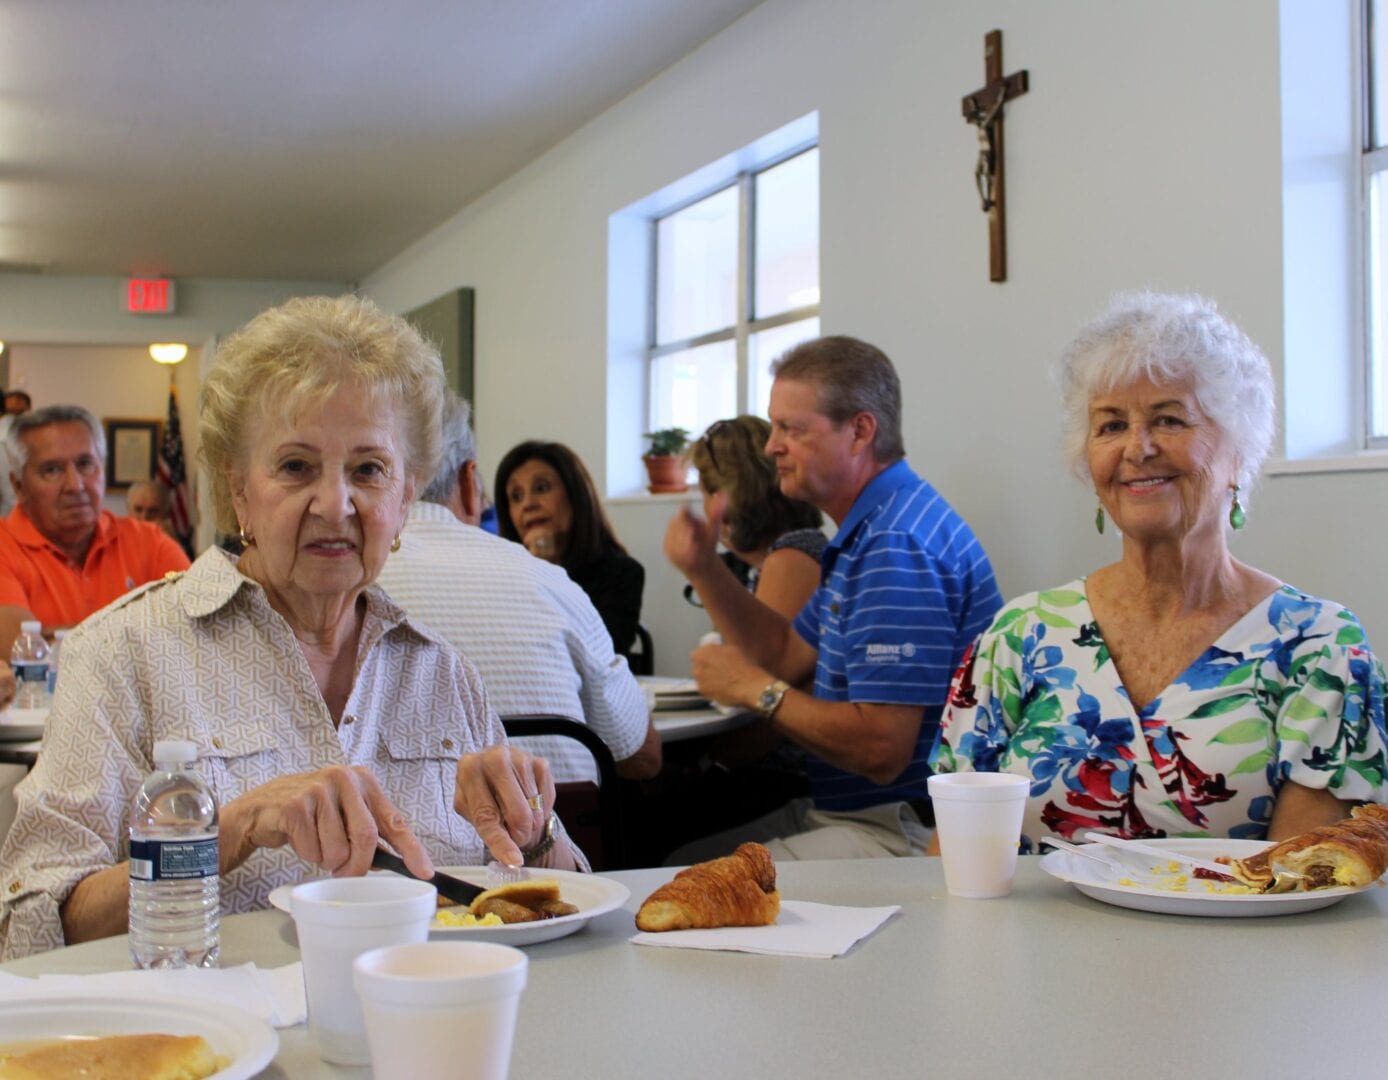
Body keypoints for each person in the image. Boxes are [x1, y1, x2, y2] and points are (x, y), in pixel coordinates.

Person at [0, 295, 584, 960]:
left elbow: (563, 911)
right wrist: (226, 831)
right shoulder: (124, 653)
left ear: (404, 494)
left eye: (368, 469)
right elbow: (29, 927)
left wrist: (532, 831)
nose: (336, 504)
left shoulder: (440, 671)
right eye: (296, 466)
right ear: (238, 490)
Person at [931, 292, 1388, 850]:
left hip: (1237, 936)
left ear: (1238, 452)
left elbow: (1305, 884)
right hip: (1024, 938)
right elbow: (952, 860)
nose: (1137, 448)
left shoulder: (1319, 648)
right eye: (1110, 425)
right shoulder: (1019, 636)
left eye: (1169, 419)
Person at [664, 335, 1003, 861]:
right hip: (860, 813)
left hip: (904, 830)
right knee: (671, 851)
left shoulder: (894, 545)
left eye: (791, 429)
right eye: (773, 425)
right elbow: (782, 653)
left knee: (681, 879)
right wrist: (706, 568)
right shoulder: (869, 531)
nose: (771, 446)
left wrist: (756, 689)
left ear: (860, 431)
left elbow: (882, 750)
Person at [376, 393, 660, 783]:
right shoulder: (553, 585)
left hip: (395, 840)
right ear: (468, 481)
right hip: (564, 835)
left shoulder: (342, 588)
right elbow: (640, 757)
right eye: (515, 495)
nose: (528, 505)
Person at [0, 405, 190, 656]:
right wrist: (147, 633)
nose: (74, 485)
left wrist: (53, 636)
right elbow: (18, 649)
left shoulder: (150, 541)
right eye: (52, 470)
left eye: (85, 464)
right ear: (19, 486)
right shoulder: (5, 546)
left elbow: (193, 629)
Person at [496, 441, 644, 658]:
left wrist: (547, 571)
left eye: (542, 488)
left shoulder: (622, 573)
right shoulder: (502, 576)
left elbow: (601, 657)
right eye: (516, 496)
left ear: (576, 496)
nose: (528, 504)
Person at [687, 415, 826, 618]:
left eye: (704, 494)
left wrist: (702, 569)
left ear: (723, 500)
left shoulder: (788, 562)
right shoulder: (778, 557)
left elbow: (761, 650)